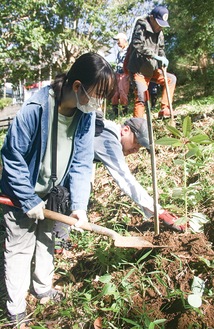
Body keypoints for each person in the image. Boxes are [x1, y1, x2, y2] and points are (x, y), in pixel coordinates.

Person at [0, 52, 116, 328]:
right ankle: (15, 308)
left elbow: (81, 162)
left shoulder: (85, 117)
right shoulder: (36, 109)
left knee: (47, 243)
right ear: (77, 87)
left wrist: (79, 205)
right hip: (20, 194)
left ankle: (42, 288)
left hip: (52, 193)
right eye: (97, 95)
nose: (99, 103)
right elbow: (12, 157)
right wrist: (27, 198)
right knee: (19, 248)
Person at [126, 5, 177, 118]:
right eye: (158, 24)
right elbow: (137, 44)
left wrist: (163, 59)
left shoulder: (160, 32)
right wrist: (155, 56)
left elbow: (161, 49)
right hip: (139, 70)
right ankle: (137, 127)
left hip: (152, 69)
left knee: (171, 79)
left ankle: (165, 109)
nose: (160, 28)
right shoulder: (141, 25)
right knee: (141, 98)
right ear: (152, 18)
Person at [111, 33, 130, 116]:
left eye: (118, 40)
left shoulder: (129, 50)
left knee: (123, 92)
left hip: (125, 73)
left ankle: (123, 112)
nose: (117, 42)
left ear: (123, 40)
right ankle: (115, 112)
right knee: (115, 92)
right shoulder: (119, 52)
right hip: (117, 73)